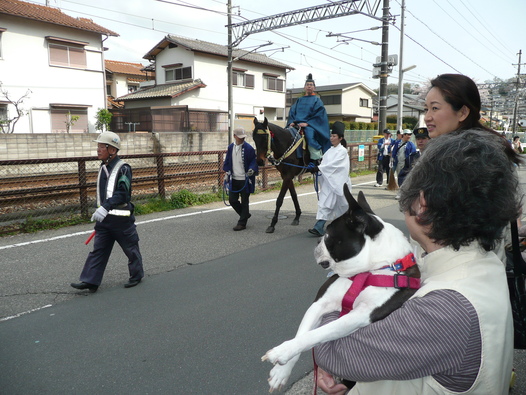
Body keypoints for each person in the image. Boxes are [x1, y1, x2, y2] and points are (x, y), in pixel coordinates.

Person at [314, 129, 521, 395]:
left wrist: (331, 297)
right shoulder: (486, 264)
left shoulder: (446, 307)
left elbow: (334, 352)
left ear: (421, 204)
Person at [71, 132, 144, 292]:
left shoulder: (123, 169)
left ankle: (137, 275)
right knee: (99, 250)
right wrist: (102, 210)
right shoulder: (103, 167)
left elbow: (123, 193)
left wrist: (105, 207)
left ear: (111, 149)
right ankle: (90, 281)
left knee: (131, 250)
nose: (97, 150)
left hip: (121, 221)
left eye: (100, 146)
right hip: (104, 221)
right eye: (97, 146)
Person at [308, 121, 352, 237]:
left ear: (340, 138)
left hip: (338, 182)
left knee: (342, 205)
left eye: (334, 136)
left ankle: (345, 226)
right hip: (329, 181)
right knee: (325, 203)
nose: (331, 138)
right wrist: (317, 165)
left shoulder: (342, 151)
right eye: (331, 136)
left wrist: (319, 168)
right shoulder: (330, 150)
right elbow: (325, 163)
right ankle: (319, 226)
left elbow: (335, 166)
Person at [287, 73, 331, 163]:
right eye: (307, 85)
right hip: (297, 124)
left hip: (310, 125)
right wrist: (291, 122)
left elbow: (319, 115)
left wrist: (308, 123)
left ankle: (317, 158)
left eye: (311, 85)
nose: (309, 86)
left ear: (314, 88)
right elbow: (292, 112)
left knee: (310, 136)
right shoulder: (299, 100)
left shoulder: (317, 100)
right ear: (304, 87)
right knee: (285, 135)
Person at [223, 127, 258, 231]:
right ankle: (245, 214)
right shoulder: (230, 147)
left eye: (243, 137)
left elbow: (253, 161)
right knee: (232, 200)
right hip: (234, 179)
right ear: (234, 136)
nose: (242, 139)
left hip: (245, 179)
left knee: (245, 201)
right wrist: (226, 172)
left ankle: (242, 223)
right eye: (240, 137)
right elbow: (227, 161)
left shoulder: (249, 148)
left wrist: (252, 169)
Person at [396, 127, 430, 195]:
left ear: (430, 140)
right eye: (418, 139)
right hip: (414, 195)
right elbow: (402, 176)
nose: (420, 141)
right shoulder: (411, 157)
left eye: (423, 138)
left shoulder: (436, 157)